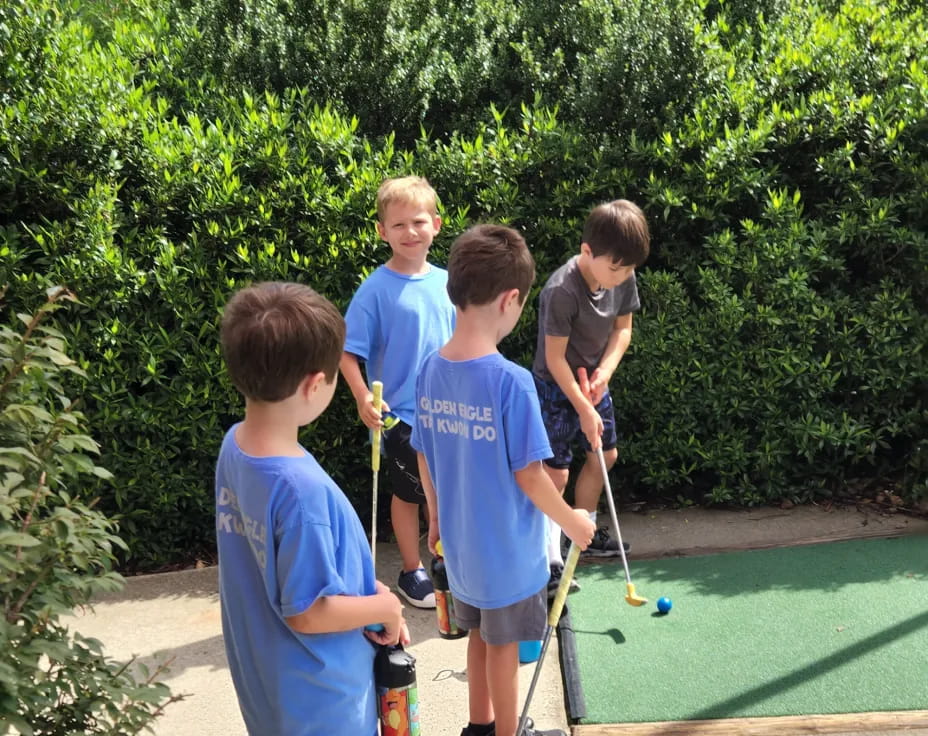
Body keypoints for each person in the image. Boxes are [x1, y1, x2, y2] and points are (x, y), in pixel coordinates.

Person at [412, 224, 596, 736]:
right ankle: (509, 733)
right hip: (508, 553)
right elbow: (531, 478)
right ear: (511, 299)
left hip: (462, 545)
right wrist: (574, 522)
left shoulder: (430, 369)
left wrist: (435, 517)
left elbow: (424, 454)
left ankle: (480, 725)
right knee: (504, 646)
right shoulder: (511, 382)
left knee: (477, 635)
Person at [216, 282, 408, 736]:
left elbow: (282, 563)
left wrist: (363, 590)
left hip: (271, 688)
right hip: (322, 702)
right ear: (314, 384)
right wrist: (387, 606)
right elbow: (307, 610)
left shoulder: (234, 446)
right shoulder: (301, 492)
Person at [340, 175, 455, 609]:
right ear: (381, 231)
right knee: (410, 494)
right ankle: (412, 570)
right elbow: (347, 353)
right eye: (399, 224)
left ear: (437, 225)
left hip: (447, 411)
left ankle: (446, 562)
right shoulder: (374, 289)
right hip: (400, 415)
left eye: (419, 222)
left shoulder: (449, 283)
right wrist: (362, 396)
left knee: (445, 491)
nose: (410, 232)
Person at [531, 199, 650, 595]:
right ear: (587, 252)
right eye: (615, 268)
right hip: (556, 384)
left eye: (629, 269)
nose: (621, 276)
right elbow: (553, 357)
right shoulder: (562, 290)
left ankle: (582, 532)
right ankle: (548, 558)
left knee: (605, 455)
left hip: (594, 380)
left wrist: (604, 374)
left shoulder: (622, 274)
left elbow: (623, 331)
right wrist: (582, 407)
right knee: (555, 471)